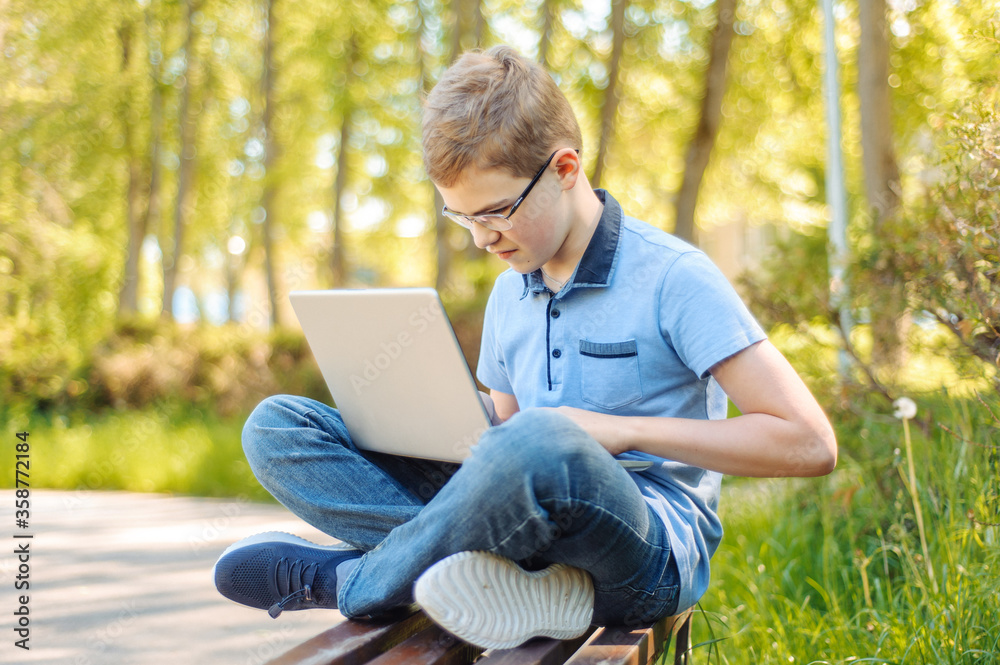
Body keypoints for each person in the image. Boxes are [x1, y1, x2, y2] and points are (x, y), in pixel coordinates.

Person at [213, 45, 837, 649]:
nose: (483, 239)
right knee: (278, 426)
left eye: (497, 211)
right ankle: (494, 582)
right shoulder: (510, 293)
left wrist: (615, 431)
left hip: (644, 552)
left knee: (544, 443)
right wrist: (430, 411)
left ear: (565, 170)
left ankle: (351, 580)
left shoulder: (674, 276)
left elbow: (808, 442)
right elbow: (505, 449)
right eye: (463, 219)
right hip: (527, 530)